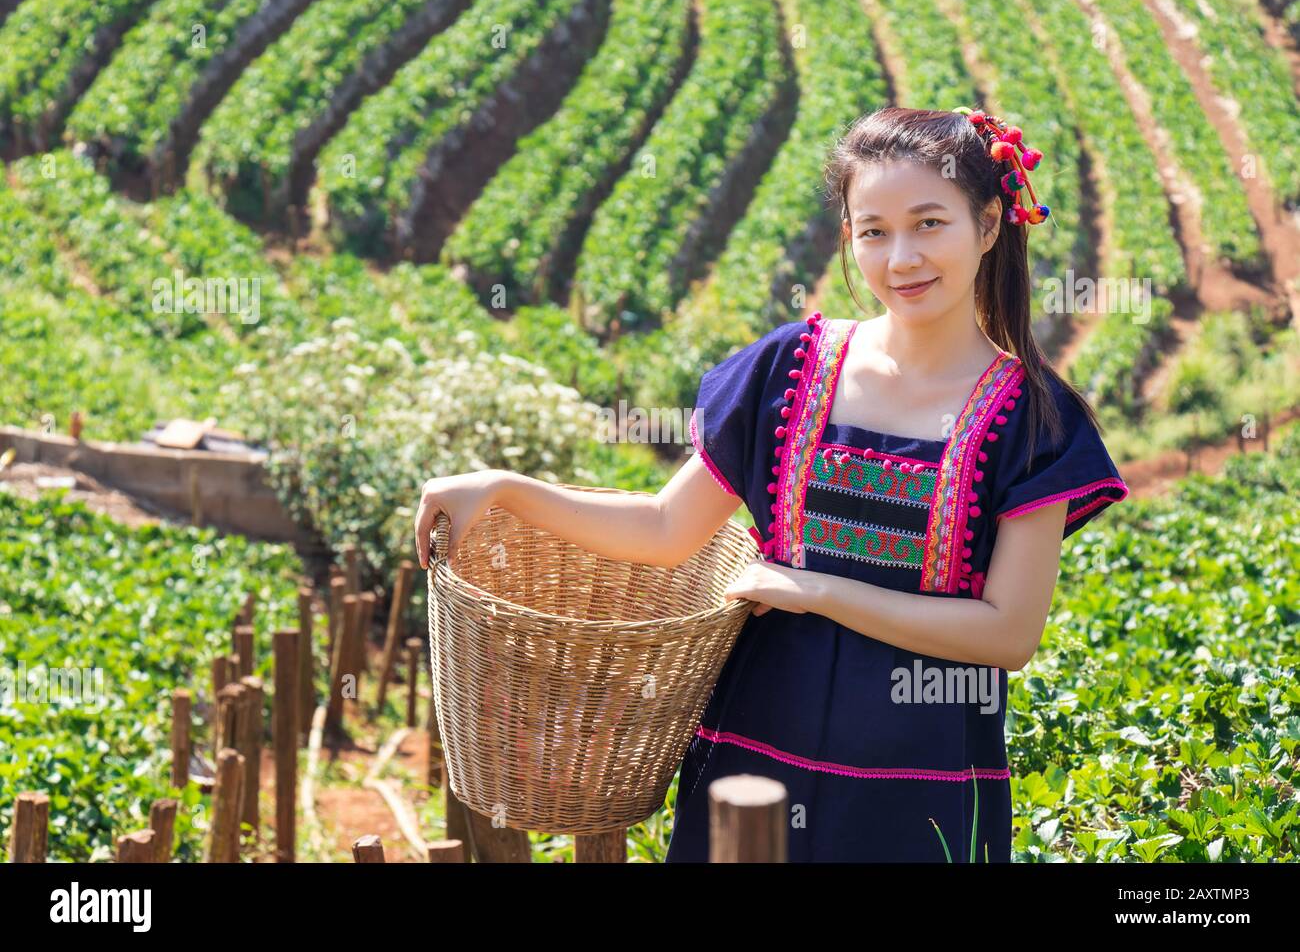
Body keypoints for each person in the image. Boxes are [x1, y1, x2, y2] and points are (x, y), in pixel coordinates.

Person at [413, 106, 1129, 862]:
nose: (902, 257)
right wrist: (505, 490)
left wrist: (816, 590)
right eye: (873, 230)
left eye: (929, 224)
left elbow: (1007, 634)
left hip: (918, 781)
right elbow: (664, 529)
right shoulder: (790, 370)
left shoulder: (1033, 418)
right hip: (755, 753)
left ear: (988, 225)